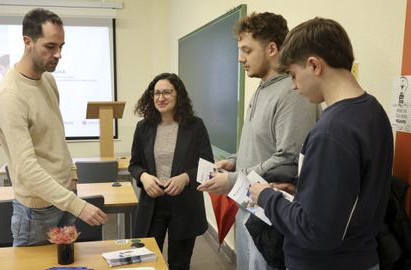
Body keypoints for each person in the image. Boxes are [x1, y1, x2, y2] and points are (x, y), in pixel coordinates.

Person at [249, 17, 394, 270]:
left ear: (314, 65)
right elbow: (348, 198)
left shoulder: (331, 132)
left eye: (293, 75)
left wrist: (267, 197)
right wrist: (302, 194)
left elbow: (314, 231)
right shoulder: (373, 111)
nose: (293, 86)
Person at [197, 12, 319, 270]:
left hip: (270, 213)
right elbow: (259, 146)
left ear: (272, 48)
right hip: (249, 202)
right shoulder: (262, 88)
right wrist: (233, 162)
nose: (240, 58)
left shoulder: (292, 92)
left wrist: (234, 180)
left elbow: (288, 159)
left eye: (247, 50)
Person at [0, 8, 107, 247]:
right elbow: (26, 168)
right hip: (37, 212)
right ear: (28, 42)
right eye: (50, 46)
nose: (58, 54)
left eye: (61, 47)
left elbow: (57, 137)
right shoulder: (10, 94)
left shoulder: (48, 80)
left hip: (65, 197)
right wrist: (77, 205)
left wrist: (72, 176)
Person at [129, 72, 214, 270]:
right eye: (156, 93)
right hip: (153, 202)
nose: (160, 98)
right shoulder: (143, 127)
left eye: (167, 92)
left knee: (179, 264)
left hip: (185, 203)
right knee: (147, 261)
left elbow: (208, 164)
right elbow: (134, 164)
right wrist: (144, 177)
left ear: (178, 95)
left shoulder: (195, 126)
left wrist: (185, 178)